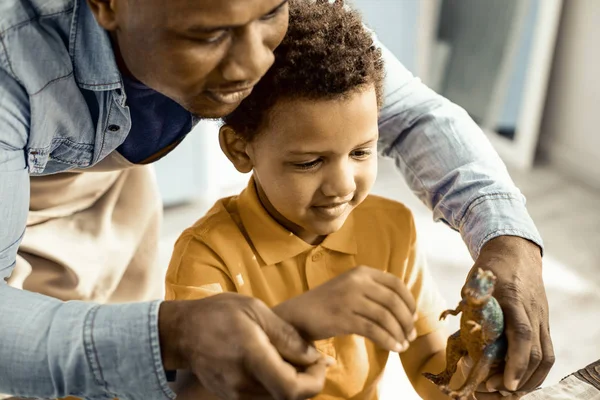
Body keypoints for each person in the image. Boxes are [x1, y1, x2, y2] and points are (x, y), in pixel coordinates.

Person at [0, 0, 552, 398]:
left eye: (269, 14)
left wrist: (509, 240)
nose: (252, 67)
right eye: (206, 34)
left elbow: (411, 115)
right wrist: (173, 332)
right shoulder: (11, 62)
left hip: (112, 192)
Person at [165, 1, 450, 398]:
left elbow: (426, 356)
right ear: (240, 149)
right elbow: (194, 389)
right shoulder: (206, 258)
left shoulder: (393, 229)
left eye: (362, 152)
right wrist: (296, 322)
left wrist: (471, 379)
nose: (342, 185)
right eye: (310, 162)